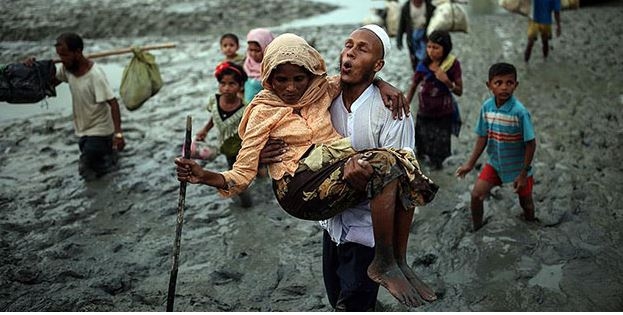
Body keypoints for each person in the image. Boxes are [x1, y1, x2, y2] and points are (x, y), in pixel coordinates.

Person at [175, 32, 438, 307]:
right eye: (281, 79)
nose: (290, 88)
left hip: (351, 212)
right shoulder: (264, 110)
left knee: (405, 168)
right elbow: (242, 172)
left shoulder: (331, 94)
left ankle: (395, 259)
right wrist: (204, 176)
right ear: (268, 78)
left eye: (298, 78)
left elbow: (354, 81)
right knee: (387, 162)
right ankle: (387, 262)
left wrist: (384, 85)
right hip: (299, 192)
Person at [262, 25, 438, 310]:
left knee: (354, 305)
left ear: (378, 64)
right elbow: (278, 110)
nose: (350, 53)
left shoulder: (392, 110)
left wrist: (396, 253)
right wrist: (262, 153)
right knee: (337, 299)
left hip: (367, 234)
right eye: (348, 45)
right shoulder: (322, 98)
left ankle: (389, 264)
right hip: (331, 225)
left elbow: (405, 179)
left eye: (362, 49)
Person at [25, 32, 125, 180]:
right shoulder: (68, 70)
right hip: (83, 131)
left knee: (85, 168)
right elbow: (50, 83)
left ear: (78, 52)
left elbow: (113, 103)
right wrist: (34, 68)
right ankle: (112, 160)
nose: (62, 60)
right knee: (102, 168)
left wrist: (118, 134)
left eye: (65, 55)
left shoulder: (95, 75)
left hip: (100, 131)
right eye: (59, 56)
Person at [455, 62, 536, 231]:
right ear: (489, 85)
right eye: (498, 83)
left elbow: (530, 144)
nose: (504, 87)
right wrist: (470, 163)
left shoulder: (520, 112)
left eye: (509, 83)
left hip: (518, 167)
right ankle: (476, 228)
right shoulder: (487, 107)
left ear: (516, 85)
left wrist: (523, 173)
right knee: (476, 195)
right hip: (495, 163)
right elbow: (483, 137)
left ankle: (531, 225)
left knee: (526, 203)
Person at [189, 61, 253, 207]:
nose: (226, 88)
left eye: (232, 84)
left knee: (237, 179)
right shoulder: (214, 100)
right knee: (234, 173)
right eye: (222, 83)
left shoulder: (245, 109)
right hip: (224, 146)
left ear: (240, 86)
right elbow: (215, 117)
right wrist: (205, 130)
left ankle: (246, 204)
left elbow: (251, 130)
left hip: (240, 150)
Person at [406, 30, 463, 169]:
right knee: (421, 144)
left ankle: (437, 171)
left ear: (446, 48)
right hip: (424, 111)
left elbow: (459, 91)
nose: (431, 51)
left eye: (436, 47)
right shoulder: (423, 64)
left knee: (439, 148)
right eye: (429, 47)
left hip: (443, 113)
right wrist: (406, 104)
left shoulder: (452, 64)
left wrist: (447, 81)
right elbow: (414, 84)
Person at [396, 0, 435, 71]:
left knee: (425, 55)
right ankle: (418, 74)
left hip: (425, 35)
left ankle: (424, 73)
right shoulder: (406, 7)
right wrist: (399, 40)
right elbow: (401, 24)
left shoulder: (429, 6)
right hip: (412, 36)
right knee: (414, 57)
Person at [243, 28, 275, 104]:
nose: (253, 54)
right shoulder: (247, 64)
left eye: (257, 50)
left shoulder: (272, 67)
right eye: (251, 50)